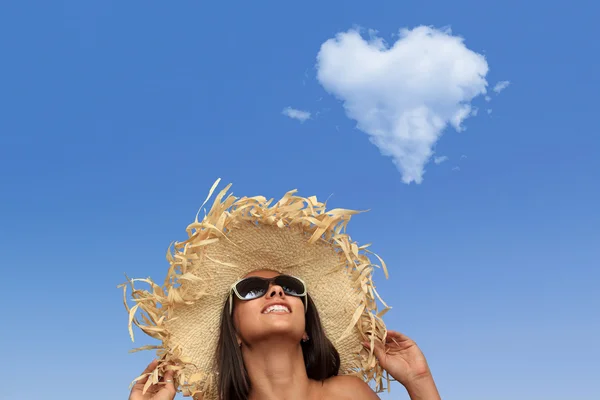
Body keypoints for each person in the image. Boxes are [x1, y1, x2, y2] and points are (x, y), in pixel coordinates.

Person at [122, 181, 440, 400]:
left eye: (290, 287)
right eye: (251, 289)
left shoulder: (350, 393)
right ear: (232, 330)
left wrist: (418, 381)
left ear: (306, 329)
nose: (276, 292)